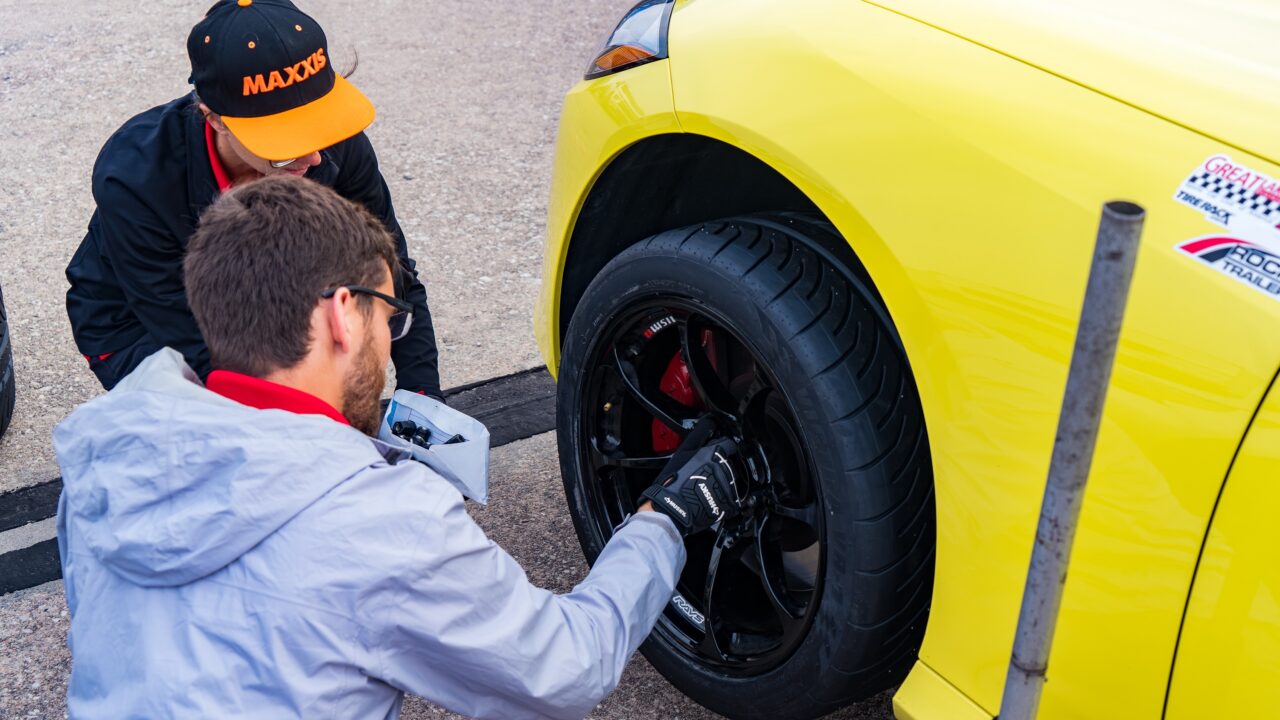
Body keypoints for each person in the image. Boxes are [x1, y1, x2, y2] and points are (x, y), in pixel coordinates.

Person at [53, 175, 741, 719]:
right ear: (339, 316)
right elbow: (566, 670)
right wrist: (667, 520)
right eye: (389, 317)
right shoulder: (381, 526)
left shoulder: (108, 456)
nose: (391, 344)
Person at [64, 0, 442, 398]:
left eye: (317, 125)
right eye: (286, 144)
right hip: (146, 324)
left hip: (272, 290)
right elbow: (189, 337)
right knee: (223, 434)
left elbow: (392, 270)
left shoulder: (334, 144)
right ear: (214, 118)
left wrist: (424, 396)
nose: (314, 157)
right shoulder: (137, 175)